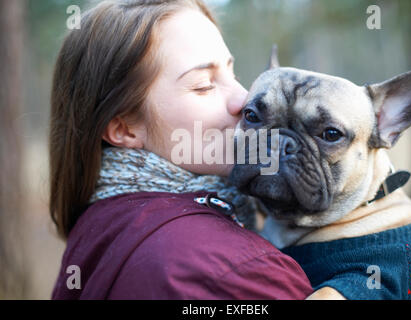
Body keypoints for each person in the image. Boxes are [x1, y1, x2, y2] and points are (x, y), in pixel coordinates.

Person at [50, 0, 312, 299]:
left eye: (233, 73)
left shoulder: (101, 222)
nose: (245, 99)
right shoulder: (225, 273)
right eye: (203, 85)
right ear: (124, 129)